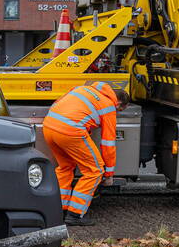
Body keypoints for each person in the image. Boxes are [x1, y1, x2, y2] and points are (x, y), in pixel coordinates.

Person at [43, 82, 129, 226]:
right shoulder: (108, 106)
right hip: (70, 131)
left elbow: (59, 102)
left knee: (65, 167)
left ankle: (58, 210)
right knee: (94, 171)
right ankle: (75, 215)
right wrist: (108, 174)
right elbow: (108, 143)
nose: (117, 112)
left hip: (49, 126)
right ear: (119, 102)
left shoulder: (82, 88)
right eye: (119, 109)